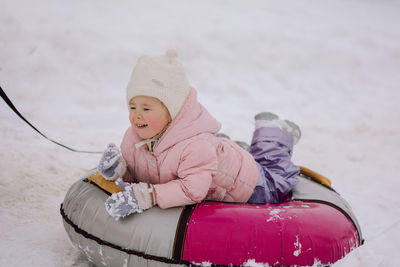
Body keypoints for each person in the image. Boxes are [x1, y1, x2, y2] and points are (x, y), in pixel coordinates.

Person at [98, 50, 301, 220]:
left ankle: (275, 130)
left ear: (173, 113)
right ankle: (231, 148)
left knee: (275, 176)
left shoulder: (195, 146)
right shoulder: (133, 139)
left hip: (249, 185)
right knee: (212, 155)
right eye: (132, 106)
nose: (137, 115)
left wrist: (149, 196)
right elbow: (141, 172)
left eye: (147, 109)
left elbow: (192, 190)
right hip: (212, 162)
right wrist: (120, 170)